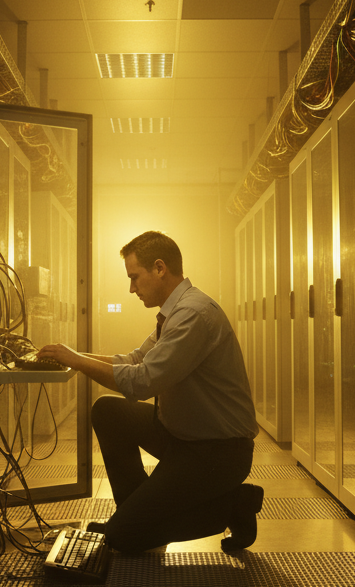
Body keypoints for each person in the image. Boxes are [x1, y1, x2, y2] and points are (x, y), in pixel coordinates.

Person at [37, 230, 262, 554]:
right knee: (108, 411)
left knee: (124, 539)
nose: (131, 288)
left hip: (218, 453)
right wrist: (73, 356)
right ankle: (137, 513)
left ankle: (235, 504)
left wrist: (75, 361)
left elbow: (141, 383)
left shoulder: (192, 315)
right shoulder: (177, 311)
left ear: (160, 268)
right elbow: (134, 361)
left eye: (134, 278)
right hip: (184, 437)